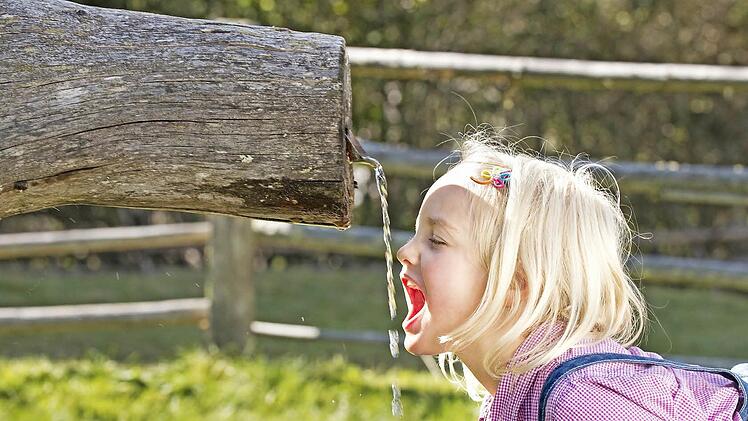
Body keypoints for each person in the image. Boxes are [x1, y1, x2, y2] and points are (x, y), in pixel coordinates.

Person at [395, 127, 748, 420]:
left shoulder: (581, 400)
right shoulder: (519, 393)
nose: (405, 251)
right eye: (416, 234)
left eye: (437, 240)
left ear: (516, 284)